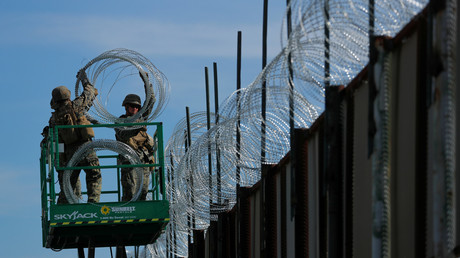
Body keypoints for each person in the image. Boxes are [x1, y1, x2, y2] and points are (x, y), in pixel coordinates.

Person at [43, 70, 102, 204]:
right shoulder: (76, 105)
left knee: (69, 183)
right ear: (68, 95)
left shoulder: (54, 119)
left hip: (69, 153)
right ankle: (93, 203)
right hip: (85, 147)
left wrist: (60, 161)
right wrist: (83, 77)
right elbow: (90, 91)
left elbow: (55, 141)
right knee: (94, 175)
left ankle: (63, 207)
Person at [115, 71, 156, 201]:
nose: (135, 109)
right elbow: (122, 134)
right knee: (130, 192)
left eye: (137, 106)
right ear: (126, 107)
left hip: (143, 159)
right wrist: (136, 129)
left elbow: (151, 100)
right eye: (132, 106)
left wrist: (146, 81)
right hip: (129, 160)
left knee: (143, 192)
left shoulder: (141, 117)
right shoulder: (120, 122)